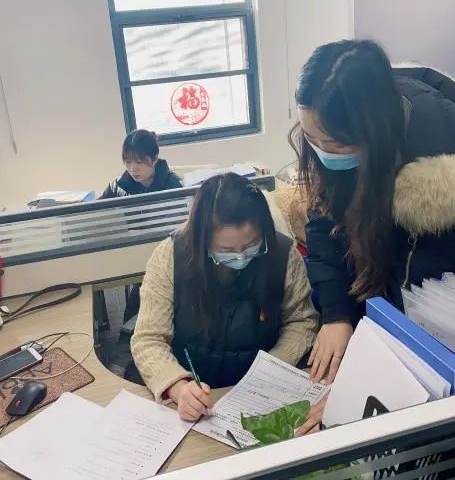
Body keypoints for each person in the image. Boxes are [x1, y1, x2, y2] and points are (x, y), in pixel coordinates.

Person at [291, 40, 455, 388]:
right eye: (311, 138)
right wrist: (336, 314)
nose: (322, 153)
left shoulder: (437, 174)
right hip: (373, 291)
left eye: (335, 145)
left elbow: (418, 310)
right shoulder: (336, 123)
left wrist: (367, 380)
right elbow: (323, 227)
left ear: (374, 134)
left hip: (433, 315)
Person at [130, 173, 319, 429]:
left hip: (259, 391)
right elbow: (148, 338)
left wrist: (270, 371)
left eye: (251, 244)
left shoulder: (283, 255)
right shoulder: (170, 256)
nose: (240, 257)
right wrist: (177, 386)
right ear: (202, 239)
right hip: (195, 392)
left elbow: (301, 322)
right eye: (226, 250)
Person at [101, 129, 182, 198]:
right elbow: (96, 207)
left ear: (155, 158)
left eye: (139, 162)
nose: (132, 169)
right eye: (128, 162)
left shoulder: (173, 185)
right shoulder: (118, 186)